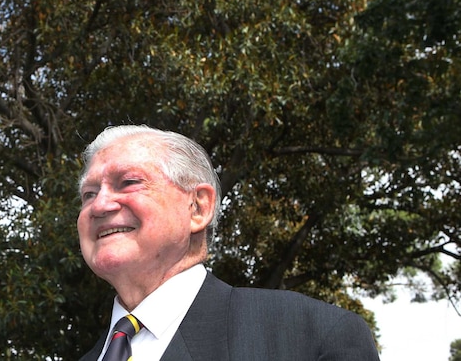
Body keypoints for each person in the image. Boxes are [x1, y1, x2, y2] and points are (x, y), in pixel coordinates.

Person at [76, 125, 380, 361]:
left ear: (198, 207)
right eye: (88, 194)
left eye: (128, 183)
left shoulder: (311, 335)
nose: (99, 205)